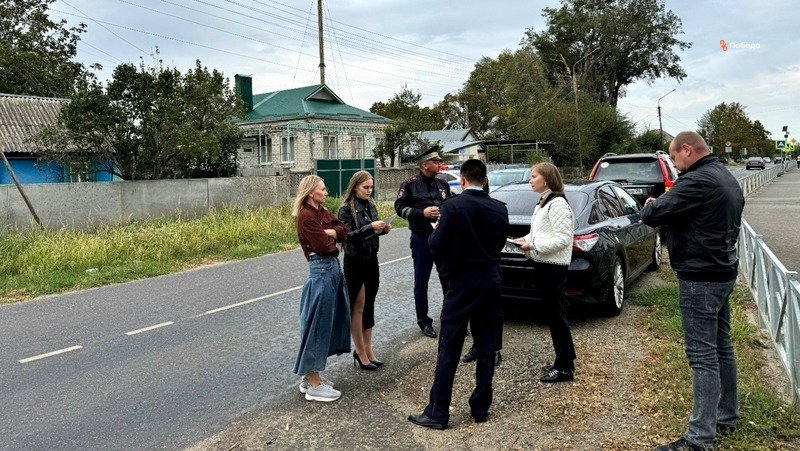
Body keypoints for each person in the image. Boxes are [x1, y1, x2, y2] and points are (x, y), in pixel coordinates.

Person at [641, 131, 744, 451]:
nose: (674, 164)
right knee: (721, 347)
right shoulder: (724, 176)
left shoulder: (696, 180)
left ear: (687, 150)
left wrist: (652, 204)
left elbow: (653, 214)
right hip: (722, 271)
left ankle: (699, 439)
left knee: (702, 356)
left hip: (701, 277)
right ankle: (726, 416)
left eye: (673, 158)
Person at [408, 159, 509, 430]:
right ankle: (480, 409)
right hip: (489, 282)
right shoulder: (499, 208)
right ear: (484, 180)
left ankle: (438, 412)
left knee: (449, 346)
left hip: (461, 283)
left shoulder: (451, 207)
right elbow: (499, 244)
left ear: (462, 181)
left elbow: (436, 244)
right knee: (487, 345)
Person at [513, 162, 576, 383]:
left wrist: (533, 246)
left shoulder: (557, 204)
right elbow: (538, 232)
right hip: (543, 265)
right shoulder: (543, 203)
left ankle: (565, 368)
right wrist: (525, 240)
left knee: (557, 315)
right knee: (554, 315)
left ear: (547, 180)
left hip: (553, 267)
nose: (530, 180)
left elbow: (563, 239)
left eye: (534, 176)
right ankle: (564, 359)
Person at [292, 175, 351, 402]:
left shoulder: (321, 212)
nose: (326, 193)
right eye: (323, 189)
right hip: (322, 272)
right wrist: (331, 238)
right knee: (316, 325)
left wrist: (332, 232)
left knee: (327, 323)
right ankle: (313, 383)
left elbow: (343, 228)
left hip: (332, 272)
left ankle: (311, 378)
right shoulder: (307, 216)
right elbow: (324, 248)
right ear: (310, 192)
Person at [395, 144, 452, 338]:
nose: (439, 164)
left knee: (448, 279)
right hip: (421, 239)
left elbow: (449, 204)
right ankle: (424, 322)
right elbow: (399, 208)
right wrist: (422, 213)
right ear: (424, 165)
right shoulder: (409, 184)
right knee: (422, 282)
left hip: (442, 239)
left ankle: (450, 317)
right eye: (435, 162)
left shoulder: (443, 184)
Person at [338, 171, 391, 371]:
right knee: (357, 307)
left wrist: (382, 229)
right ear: (355, 187)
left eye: (371, 187)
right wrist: (370, 227)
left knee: (369, 305)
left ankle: (369, 350)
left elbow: (372, 232)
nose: (369, 191)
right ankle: (360, 352)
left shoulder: (371, 205)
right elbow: (346, 236)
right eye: (365, 187)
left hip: (371, 259)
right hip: (355, 261)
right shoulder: (345, 209)